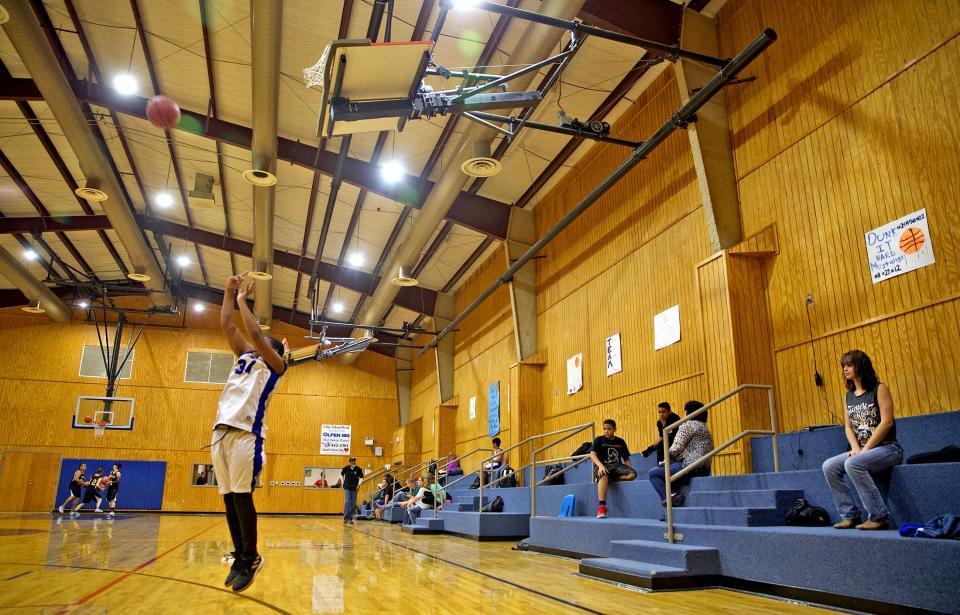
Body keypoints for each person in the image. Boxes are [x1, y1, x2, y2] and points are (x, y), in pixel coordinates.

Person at [211, 273, 287, 593]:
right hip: (221, 433)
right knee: (229, 500)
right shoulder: (245, 356)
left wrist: (244, 300)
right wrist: (229, 292)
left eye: (266, 342)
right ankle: (240, 556)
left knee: (242, 498)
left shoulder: (275, 365)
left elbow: (255, 334)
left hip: (247, 436)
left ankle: (251, 558)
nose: (259, 340)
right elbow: (229, 326)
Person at [822, 350, 902, 531]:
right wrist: (856, 448)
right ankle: (850, 515)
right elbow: (848, 428)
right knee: (829, 466)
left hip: (888, 448)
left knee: (852, 464)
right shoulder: (848, 396)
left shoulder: (879, 388)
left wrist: (863, 451)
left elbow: (887, 422)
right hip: (863, 450)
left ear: (860, 366)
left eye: (849, 365)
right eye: (843, 366)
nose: (845, 369)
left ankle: (879, 516)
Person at [647, 400, 713, 508]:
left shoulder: (688, 425)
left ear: (688, 412)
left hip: (690, 465)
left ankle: (670, 498)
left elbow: (676, 448)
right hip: (705, 468)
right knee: (669, 476)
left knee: (653, 473)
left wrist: (666, 460)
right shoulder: (705, 428)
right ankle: (672, 500)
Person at [590, 419, 637, 519]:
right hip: (603, 465)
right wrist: (600, 466)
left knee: (633, 474)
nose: (606, 431)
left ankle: (612, 479)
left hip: (616, 467)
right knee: (603, 474)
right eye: (604, 429)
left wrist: (629, 470)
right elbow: (593, 455)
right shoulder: (599, 440)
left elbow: (626, 459)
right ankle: (601, 507)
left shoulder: (620, 441)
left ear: (615, 429)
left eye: (609, 429)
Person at [341, 457, 364, 524]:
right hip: (347, 487)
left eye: (354, 460)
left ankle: (350, 518)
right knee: (347, 502)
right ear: (349, 462)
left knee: (353, 504)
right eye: (351, 461)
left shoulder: (358, 469)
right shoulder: (346, 468)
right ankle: (345, 518)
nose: (353, 462)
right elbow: (341, 475)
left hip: (354, 488)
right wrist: (343, 483)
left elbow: (362, 477)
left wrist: (359, 484)